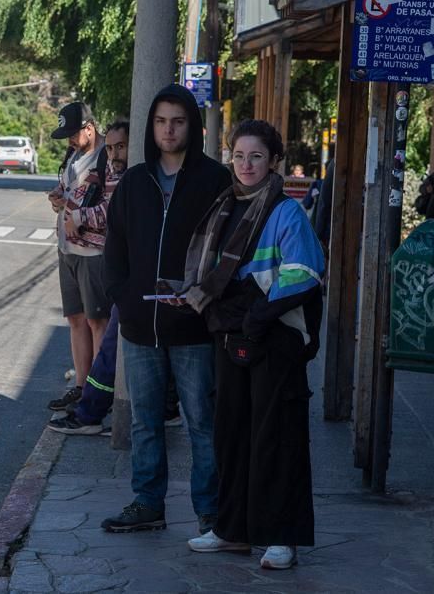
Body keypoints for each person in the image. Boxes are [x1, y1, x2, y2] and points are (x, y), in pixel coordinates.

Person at [180, 119, 324, 570]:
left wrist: (256, 317)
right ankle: (233, 530)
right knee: (233, 433)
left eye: (256, 156)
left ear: (274, 161)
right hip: (231, 333)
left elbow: (303, 275)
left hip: (274, 335)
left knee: (275, 435)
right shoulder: (225, 205)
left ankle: (281, 536)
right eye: (239, 156)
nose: (246, 164)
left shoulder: (287, 212)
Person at [101, 84, 232, 534]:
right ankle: (147, 502)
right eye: (160, 121)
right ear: (151, 127)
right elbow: (114, 245)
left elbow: (228, 250)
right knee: (145, 421)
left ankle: (210, 509)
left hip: (193, 325)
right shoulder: (135, 181)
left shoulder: (215, 180)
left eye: (177, 121)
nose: (168, 129)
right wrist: (123, 296)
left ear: (191, 125)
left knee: (201, 420)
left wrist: (205, 296)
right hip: (140, 325)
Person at [47, 121, 182, 435]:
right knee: (122, 345)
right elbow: (85, 197)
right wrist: (67, 203)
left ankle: (93, 411)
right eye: (110, 148)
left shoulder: (143, 176)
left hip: (149, 274)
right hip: (127, 271)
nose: (115, 154)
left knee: (113, 343)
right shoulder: (107, 169)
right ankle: (98, 406)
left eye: (121, 146)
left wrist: (79, 215)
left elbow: (113, 212)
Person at [46, 103, 113, 412]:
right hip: (67, 249)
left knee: (97, 321)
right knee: (75, 319)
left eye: (73, 134)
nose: (70, 141)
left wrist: (82, 216)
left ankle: (100, 392)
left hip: (93, 252)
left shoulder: (107, 158)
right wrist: (58, 197)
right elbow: (68, 188)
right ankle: (81, 386)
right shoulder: (74, 156)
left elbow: (114, 206)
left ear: (89, 128)